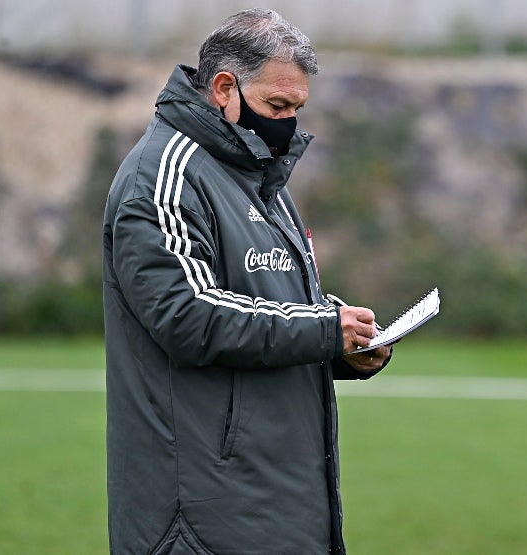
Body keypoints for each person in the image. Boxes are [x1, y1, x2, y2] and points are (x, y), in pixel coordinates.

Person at [102, 8, 392, 554]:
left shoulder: (260, 176)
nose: (287, 124)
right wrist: (324, 328)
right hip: (201, 517)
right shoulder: (163, 174)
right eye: (276, 106)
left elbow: (277, 305)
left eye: (297, 109)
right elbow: (187, 316)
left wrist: (343, 345)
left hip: (278, 504)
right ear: (223, 88)